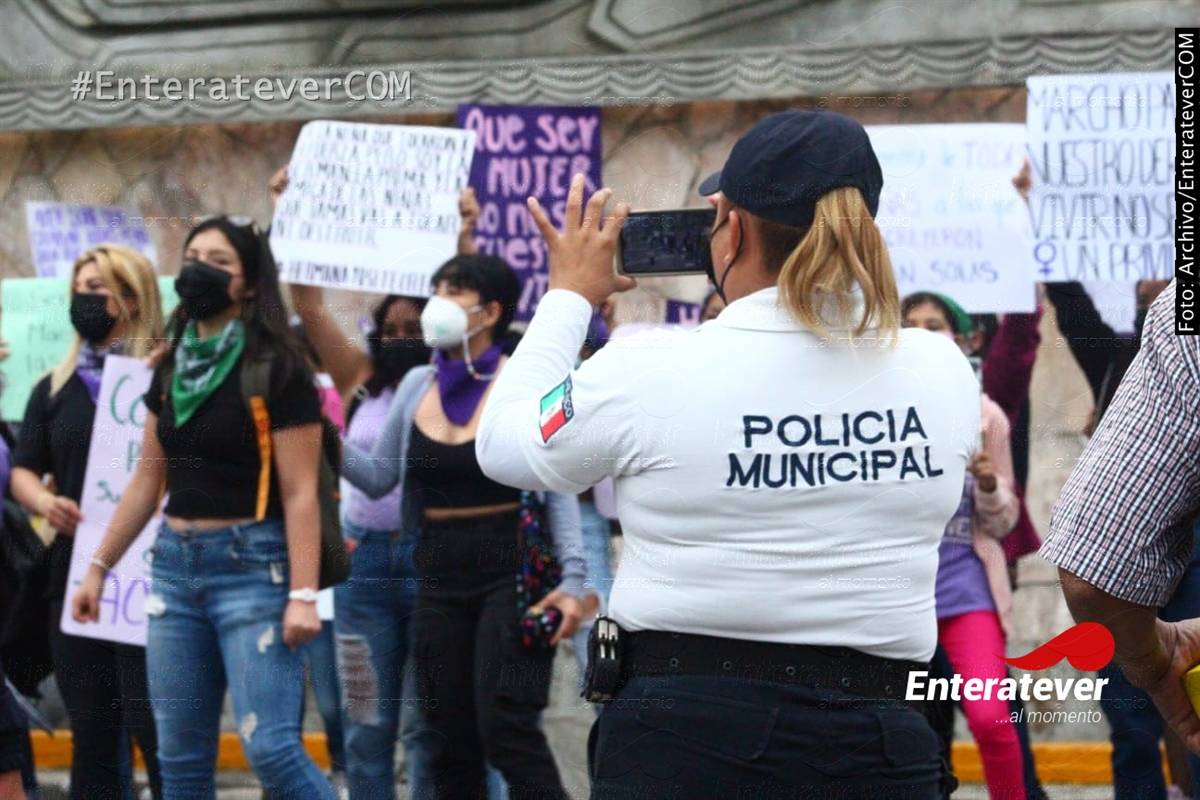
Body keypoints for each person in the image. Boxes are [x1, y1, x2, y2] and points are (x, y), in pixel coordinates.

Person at [477, 109, 980, 796]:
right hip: (880, 741)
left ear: (733, 232)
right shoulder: (942, 367)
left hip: (681, 739)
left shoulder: (647, 366)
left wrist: (567, 297)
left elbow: (503, 444)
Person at [70, 216, 337, 800]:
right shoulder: (170, 368)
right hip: (173, 570)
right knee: (180, 760)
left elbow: (299, 492)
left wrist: (303, 594)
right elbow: (146, 481)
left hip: (254, 569)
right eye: (193, 257)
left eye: (219, 262)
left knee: (272, 750)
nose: (199, 270)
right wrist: (97, 569)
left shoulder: (279, 367)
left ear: (249, 283)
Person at [340, 253, 585, 800]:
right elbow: (379, 477)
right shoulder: (416, 384)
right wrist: (315, 434)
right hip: (436, 572)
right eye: (438, 291)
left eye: (455, 292)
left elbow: (557, 481)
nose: (439, 304)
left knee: (508, 729)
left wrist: (573, 580)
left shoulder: (525, 380)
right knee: (448, 739)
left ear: (491, 312)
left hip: (512, 570)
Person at [10, 244, 164, 800]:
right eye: (78, 289)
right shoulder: (54, 388)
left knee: (156, 731)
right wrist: (43, 502)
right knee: (94, 732)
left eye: (97, 289)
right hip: (73, 575)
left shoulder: (163, 376)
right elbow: (24, 468)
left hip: (151, 575)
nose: (84, 299)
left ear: (132, 297)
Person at [1040, 283, 1200, 756]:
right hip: (1150, 562)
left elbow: (1092, 572)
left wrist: (1154, 659)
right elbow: (1075, 315)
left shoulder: (1182, 325)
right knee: (1131, 721)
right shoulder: (1113, 357)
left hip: (1158, 563)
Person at [903, 292, 1025, 800]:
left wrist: (990, 486)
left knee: (992, 717)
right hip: (898, 599)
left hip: (965, 594)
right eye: (910, 324)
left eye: (934, 325)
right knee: (913, 736)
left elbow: (1005, 521)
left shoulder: (985, 417)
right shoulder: (874, 409)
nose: (922, 333)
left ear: (962, 339)